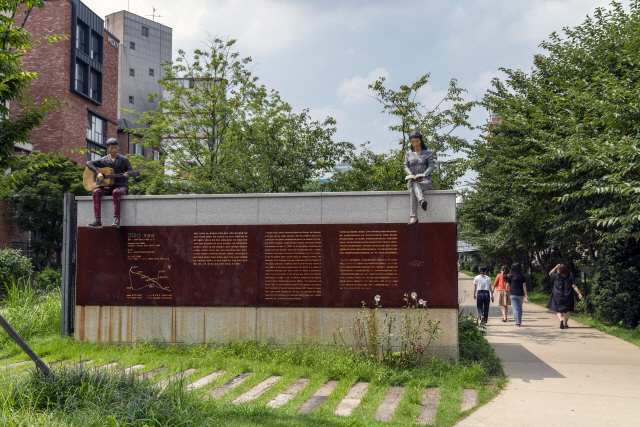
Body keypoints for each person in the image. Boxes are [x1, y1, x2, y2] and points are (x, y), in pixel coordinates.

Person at [86, 138, 134, 228]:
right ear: (108, 148)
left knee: (116, 191)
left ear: (118, 147)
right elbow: (89, 163)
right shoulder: (104, 160)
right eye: (112, 148)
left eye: (116, 147)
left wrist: (129, 174)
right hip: (109, 187)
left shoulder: (124, 159)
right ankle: (97, 220)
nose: (114, 150)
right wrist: (98, 173)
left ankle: (117, 220)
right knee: (96, 192)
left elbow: (131, 171)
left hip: (122, 187)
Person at [403, 130, 434, 226]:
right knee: (413, 182)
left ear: (420, 140)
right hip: (413, 180)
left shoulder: (428, 153)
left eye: (416, 141)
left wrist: (424, 174)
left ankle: (413, 217)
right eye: (412, 142)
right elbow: (405, 166)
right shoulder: (408, 154)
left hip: (426, 181)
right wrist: (409, 173)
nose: (414, 144)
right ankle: (422, 201)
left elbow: (431, 166)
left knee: (413, 188)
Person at [547, 264, 583, 329]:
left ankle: (561, 320)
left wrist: (555, 267)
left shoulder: (556, 276)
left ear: (559, 271)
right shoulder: (570, 277)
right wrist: (579, 293)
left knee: (557, 309)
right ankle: (565, 323)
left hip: (557, 295)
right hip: (567, 296)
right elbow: (574, 286)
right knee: (567, 310)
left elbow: (550, 273)